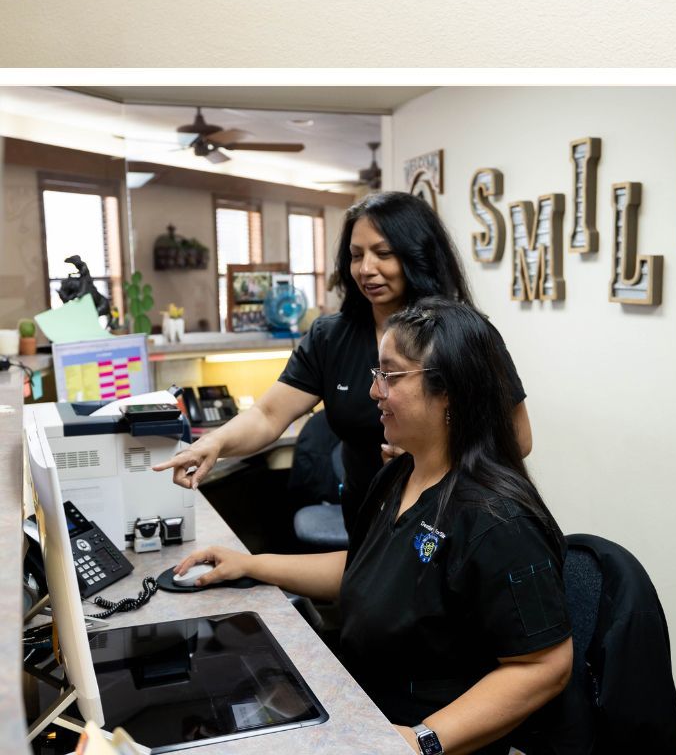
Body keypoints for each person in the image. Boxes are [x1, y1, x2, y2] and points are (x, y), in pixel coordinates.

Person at [175, 299, 573, 755]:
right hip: (361, 709)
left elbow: (545, 666)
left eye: (390, 375)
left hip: (415, 737)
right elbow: (369, 570)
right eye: (375, 374)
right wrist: (252, 564)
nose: (373, 393)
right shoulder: (398, 476)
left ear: (449, 391)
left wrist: (421, 740)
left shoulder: (498, 521)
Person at [155, 191, 530, 528]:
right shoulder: (330, 337)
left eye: (383, 253)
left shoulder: (462, 335)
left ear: (418, 256)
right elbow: (268, 415)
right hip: (367, 515)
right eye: (356, 255)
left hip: (448, 517)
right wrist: (214, 444)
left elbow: (518, 437)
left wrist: (435, 454)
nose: (365, 269)